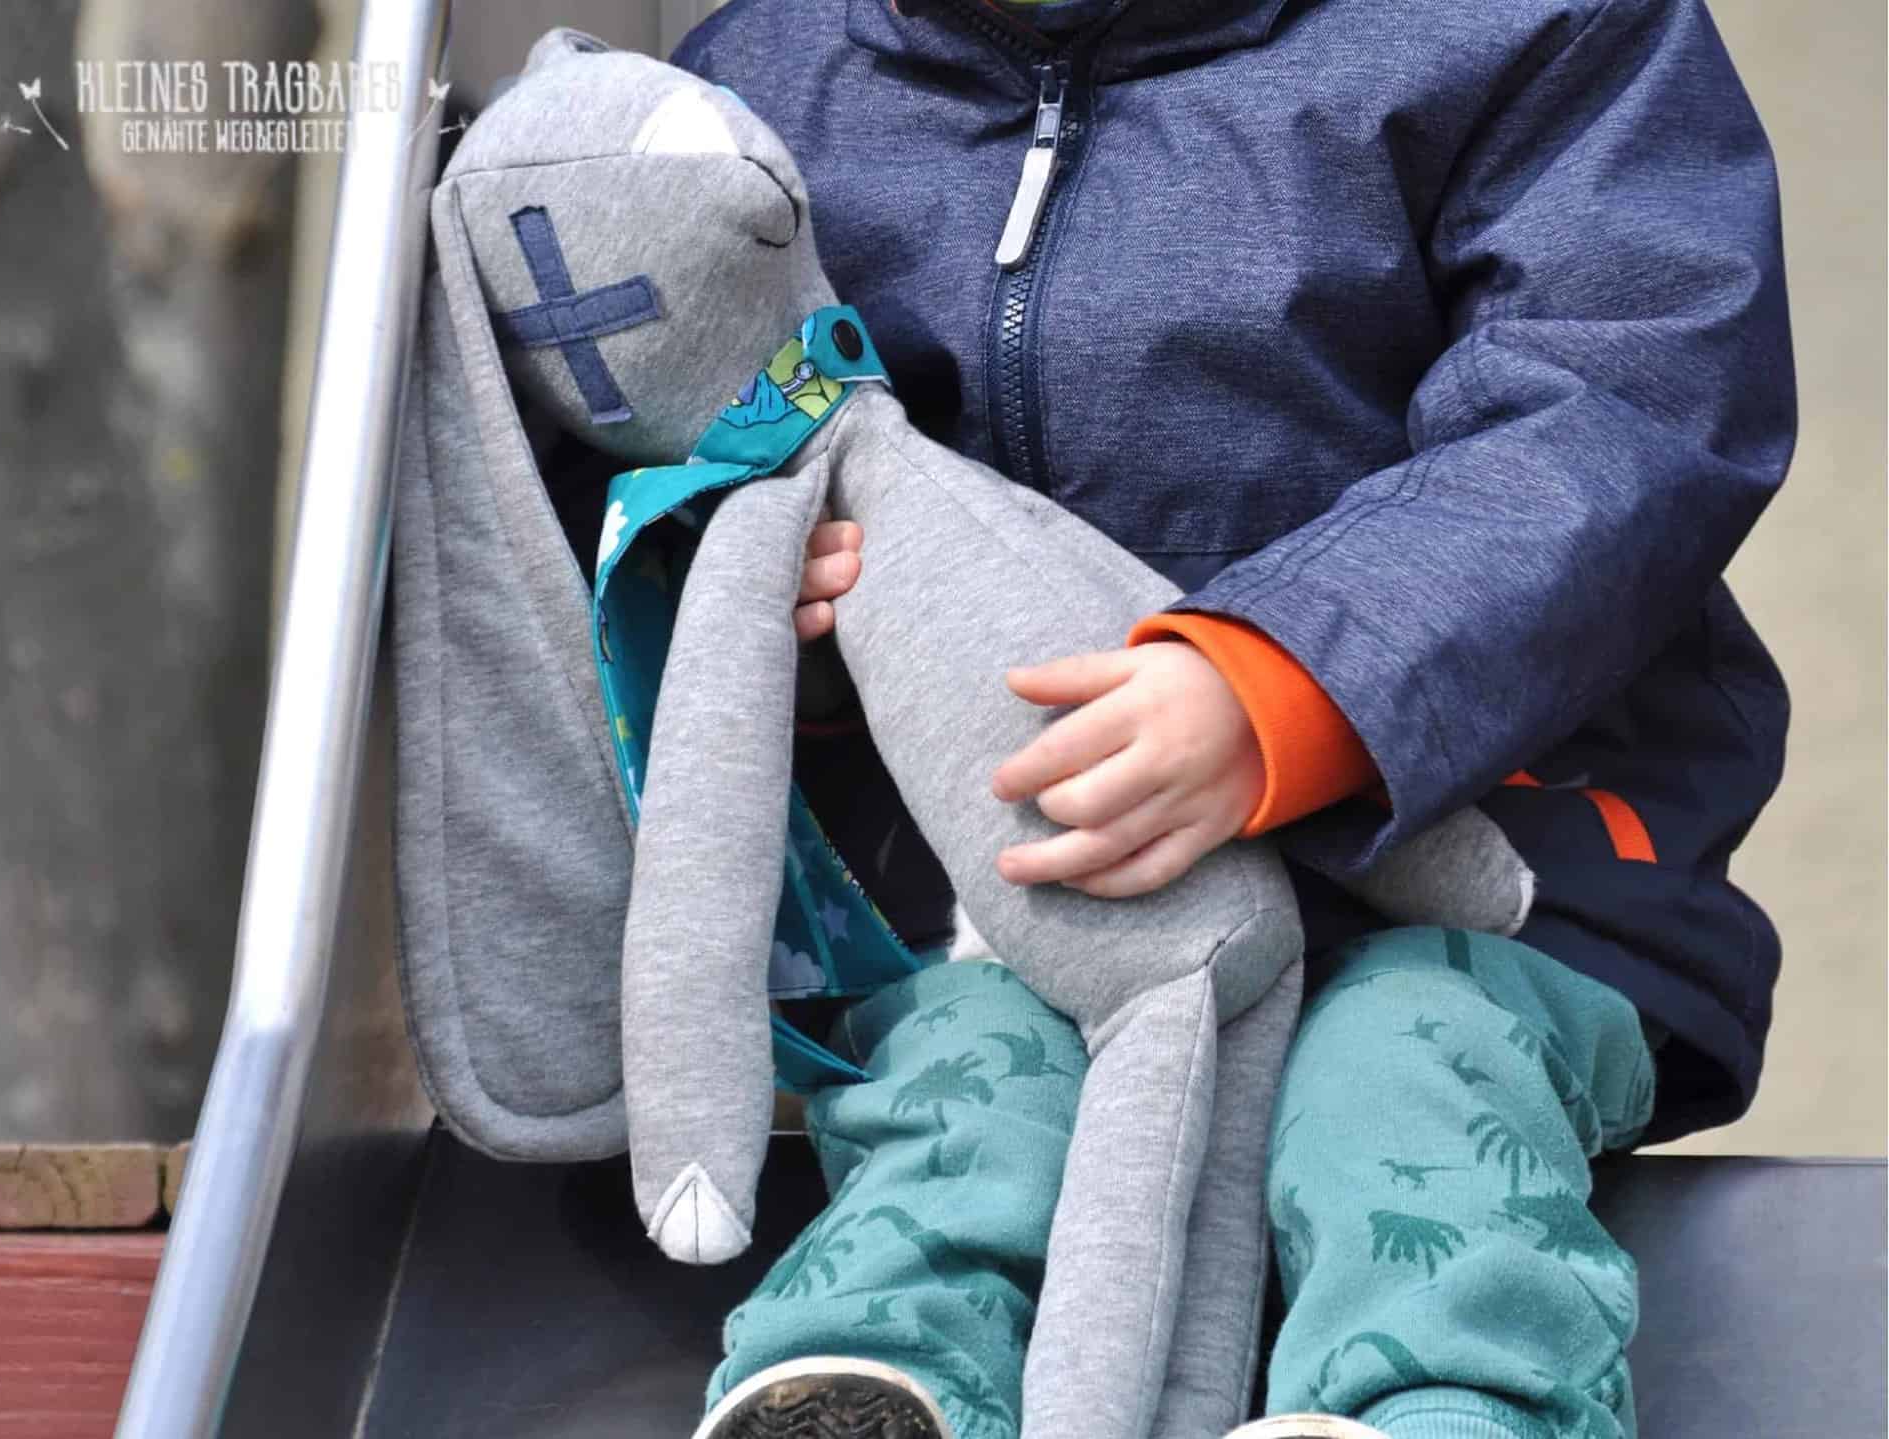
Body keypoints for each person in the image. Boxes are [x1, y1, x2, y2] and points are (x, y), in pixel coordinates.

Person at [676, 1, 1796, 1437]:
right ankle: (873, 1383)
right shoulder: (767, 81)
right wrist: (754, 576)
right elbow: (673, 399)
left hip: (1498, 869)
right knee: (966, 1088)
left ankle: (1446, 1404)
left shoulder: (1542, 28)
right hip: (1008, 894)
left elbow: (1620, 399)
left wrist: (1301, 677)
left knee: (1407, 1084)